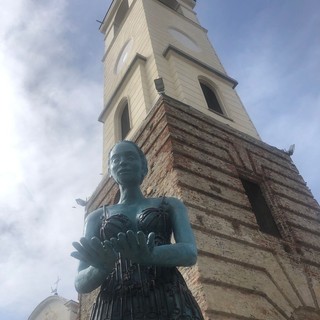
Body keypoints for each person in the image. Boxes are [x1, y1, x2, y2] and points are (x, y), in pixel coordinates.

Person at [71, 140, 204, 320]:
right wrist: (100, 269)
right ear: (110, 170)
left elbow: (189, 252)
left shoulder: (171, 205)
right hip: (114, 307)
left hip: (170, 301)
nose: (122, 162)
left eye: (130, 157)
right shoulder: (95, 217)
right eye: (116, 159)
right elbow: (80, 283)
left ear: (143, 166)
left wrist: (151, 255)